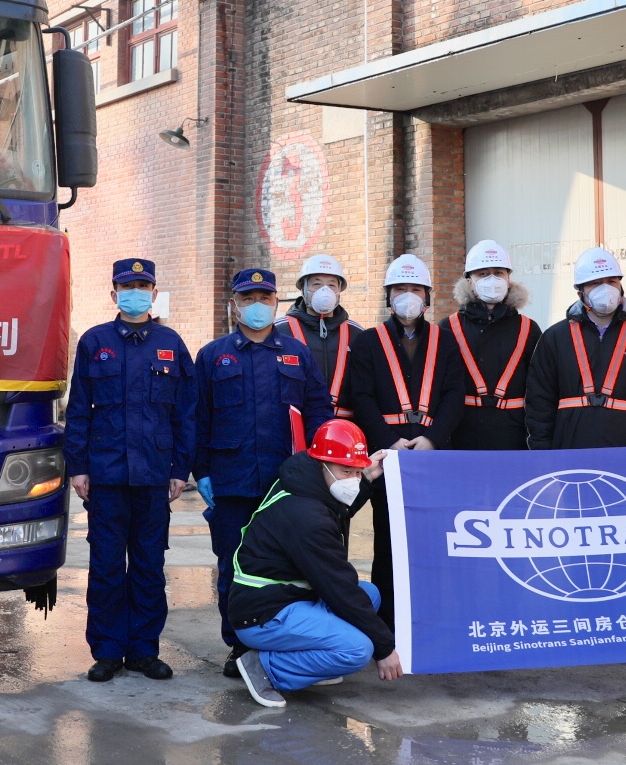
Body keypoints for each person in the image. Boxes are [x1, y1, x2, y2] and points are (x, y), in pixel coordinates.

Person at [193, 268, 334, 678]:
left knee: (292, 567)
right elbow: (196, 418)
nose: (257, 305)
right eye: (248, 298)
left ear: (277, 303)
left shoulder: (297, 354)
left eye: (265, 298)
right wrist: (201, 471)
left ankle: (288, 642)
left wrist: (318, 469)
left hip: (286, 483)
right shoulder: (213, 355)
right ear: (234, 305)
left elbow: (318, 411)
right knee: (233, 568)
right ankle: (239, 648)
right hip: (231, 482)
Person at [63, 258, 195, 683]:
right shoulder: (95, 342)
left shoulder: (171, 343)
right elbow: (78, 410)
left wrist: (180, 469)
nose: (135, 293)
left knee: (148, 565)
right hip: (106, 475)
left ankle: (142, 649)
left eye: (142, 286)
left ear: (154, 293)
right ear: (114, 293)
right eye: (127, 286)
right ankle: (107, 651)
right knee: (105, 566)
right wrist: (78, 467)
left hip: (154, 475)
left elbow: (185, 413)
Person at [229, 419, 401, 707]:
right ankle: (265, 668)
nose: (353, 479)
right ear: (322, 464)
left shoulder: (302, 482)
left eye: (356, 471)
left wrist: (367, 478)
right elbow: (339, 588)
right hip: (263, 614)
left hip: (283, 596)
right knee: (358, 650)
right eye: (346, 471)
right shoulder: (305, 516)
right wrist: (385, 648)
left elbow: (334, 511)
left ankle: (309, 662)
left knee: (369, 595)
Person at [349, 253, 464, 627]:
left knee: (433, 539)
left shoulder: (445, 341)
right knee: (387, 541)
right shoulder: (368, 342)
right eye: (400, 289)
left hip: (432, 456)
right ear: (388, 295)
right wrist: (388, 441)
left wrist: (433, 438)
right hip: (388, 457)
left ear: (427, 296)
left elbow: (454, 395)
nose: (408, 296)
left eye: (416, 289)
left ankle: (432, 618)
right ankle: (388, 624)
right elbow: (361, 397)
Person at [526, 246, 626, 450]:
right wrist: (543, 455)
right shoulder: (555, 338)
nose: (606, 289)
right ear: (580, 292)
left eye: (612, 281)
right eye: (595, 283)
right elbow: (539, 402)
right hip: (571, 452)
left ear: (621, 286)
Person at [440, 239, 540, 450]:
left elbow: (539, 390)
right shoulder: (448, 328)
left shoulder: (529, 329)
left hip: (513, 440)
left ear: (508, 279)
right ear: (470, 281)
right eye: (483, 274)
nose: (492, 279)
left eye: (498, 273)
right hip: (462, 439)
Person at [274, 253, 364, 418]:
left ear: (339, 290)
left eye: (332, 285)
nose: (325, 291)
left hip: (345, 427)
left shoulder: (357, 333)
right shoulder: (280, 330)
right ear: (303, 288)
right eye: (317, 284)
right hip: (296, 426)